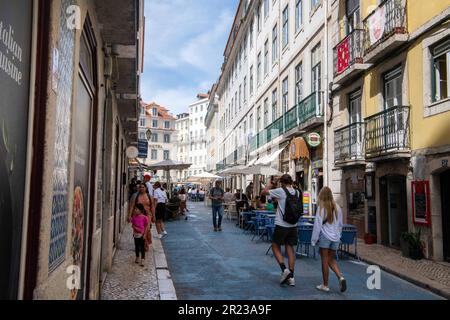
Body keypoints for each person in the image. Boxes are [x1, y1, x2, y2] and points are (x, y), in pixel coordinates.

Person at [261, 174, 302, 287]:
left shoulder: (281, 191)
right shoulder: (297, 192)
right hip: (293, 225)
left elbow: (264, 192)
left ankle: (284, 270)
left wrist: (272, 183)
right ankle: (292, 277)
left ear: (282, 182)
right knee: (290, 249)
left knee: (275, 246)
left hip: (281, 224)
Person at [311, 187, 347, 293]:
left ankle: (325, 285)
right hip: (335, 238)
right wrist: (338, 236)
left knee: (324, 260)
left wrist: (314, 240)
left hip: (325, 237)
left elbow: (317, 225)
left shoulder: (321, 208)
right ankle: (340, 277)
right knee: (331, 260)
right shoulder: (337, 208)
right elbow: (340, 224)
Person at [128, 183, 154, 251]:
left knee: (147, 230)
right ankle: (140, 245)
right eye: (140, 187)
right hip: (138, 216)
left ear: (146, 188)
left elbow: (152, 207)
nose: (141, 188)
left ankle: (146, 244)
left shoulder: (149, 196)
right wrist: (129, 215)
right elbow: (132, 206)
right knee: (139, 230)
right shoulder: (136, 196)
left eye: (143, 187)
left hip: (148, 215)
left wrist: (154, 216)